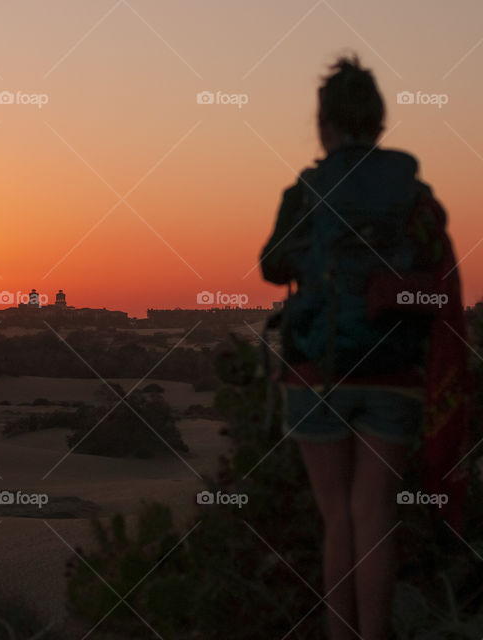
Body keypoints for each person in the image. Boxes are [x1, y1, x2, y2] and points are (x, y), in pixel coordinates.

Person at [260, 55, 468, 640]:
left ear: (324, 126)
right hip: (393, 374)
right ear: (379, 125)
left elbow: (272, 264)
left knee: (338, 524)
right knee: (374, 520)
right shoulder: (413, 194)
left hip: (317, 373)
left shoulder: (305, 191)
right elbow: (439, 278)